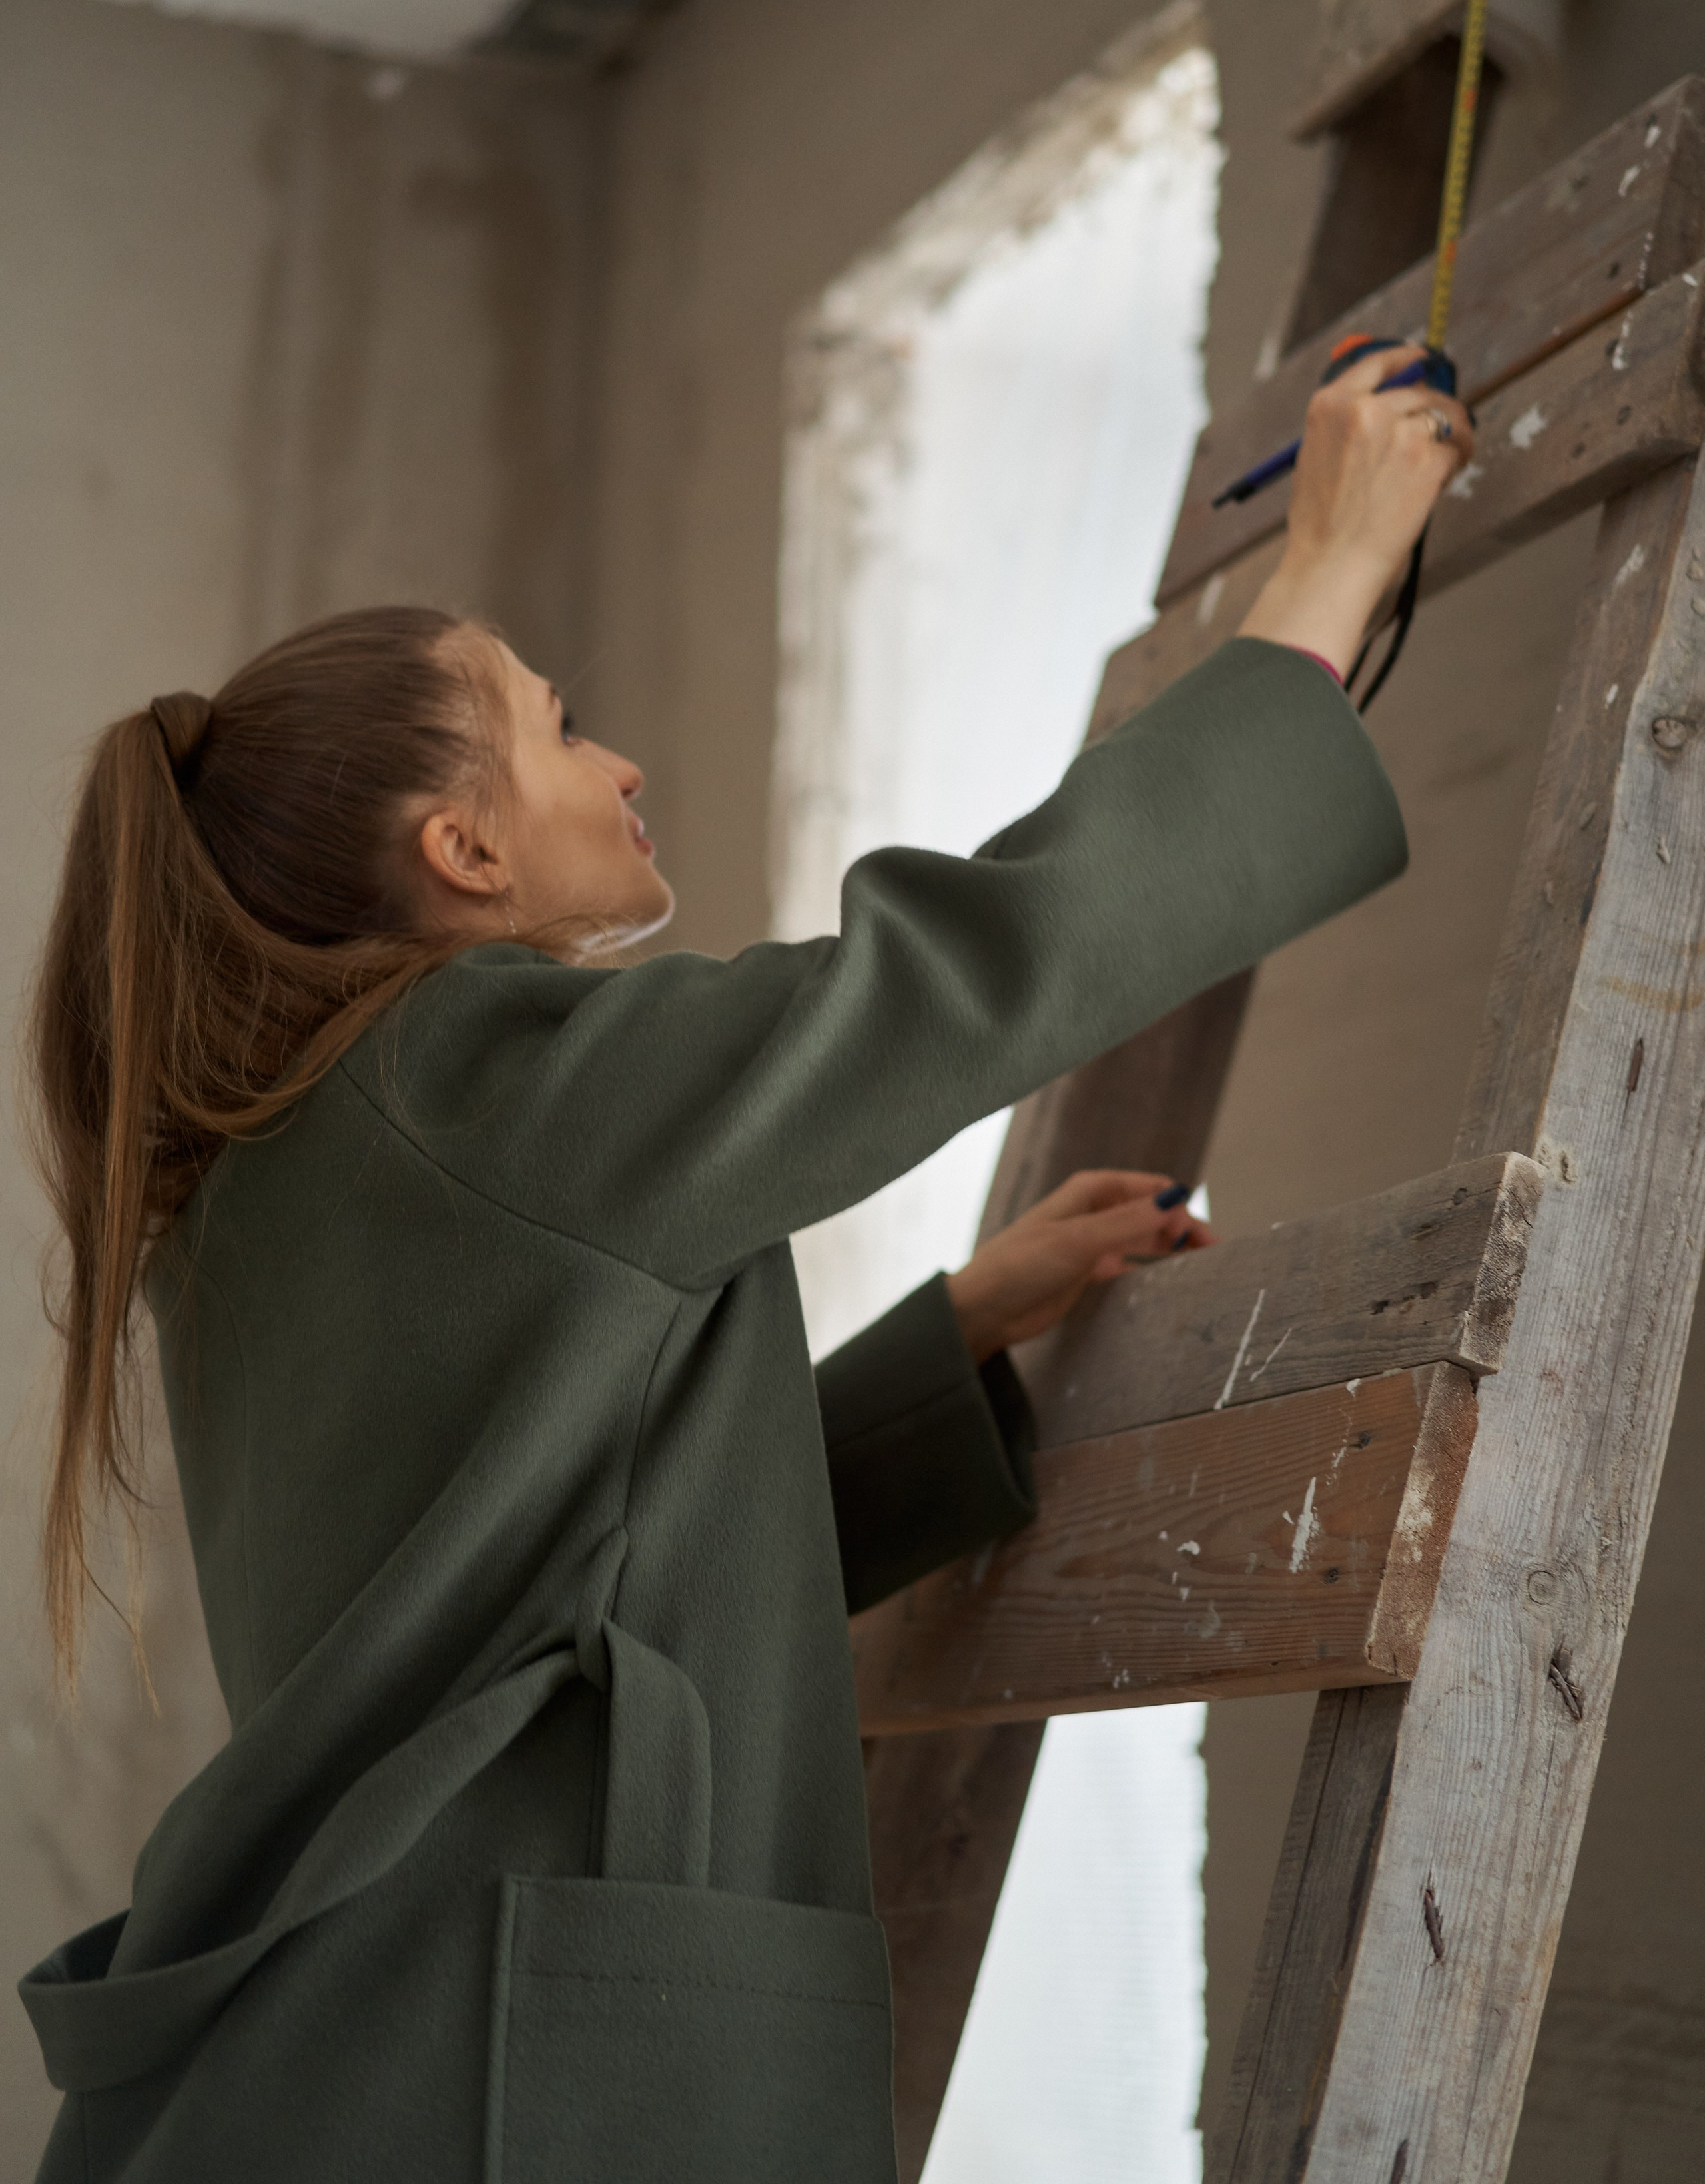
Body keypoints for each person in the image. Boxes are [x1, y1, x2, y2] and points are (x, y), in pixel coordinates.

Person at [18, 348, 1469, 2181]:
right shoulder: (475, 1077)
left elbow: (553, 1574)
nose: (619, 760)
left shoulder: (279, 1187)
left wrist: (944, 1344)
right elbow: (964, 974)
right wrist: (1324, 584)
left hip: (360, 2071)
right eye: (555, 726)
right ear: (459, 846)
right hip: (512, 2096)